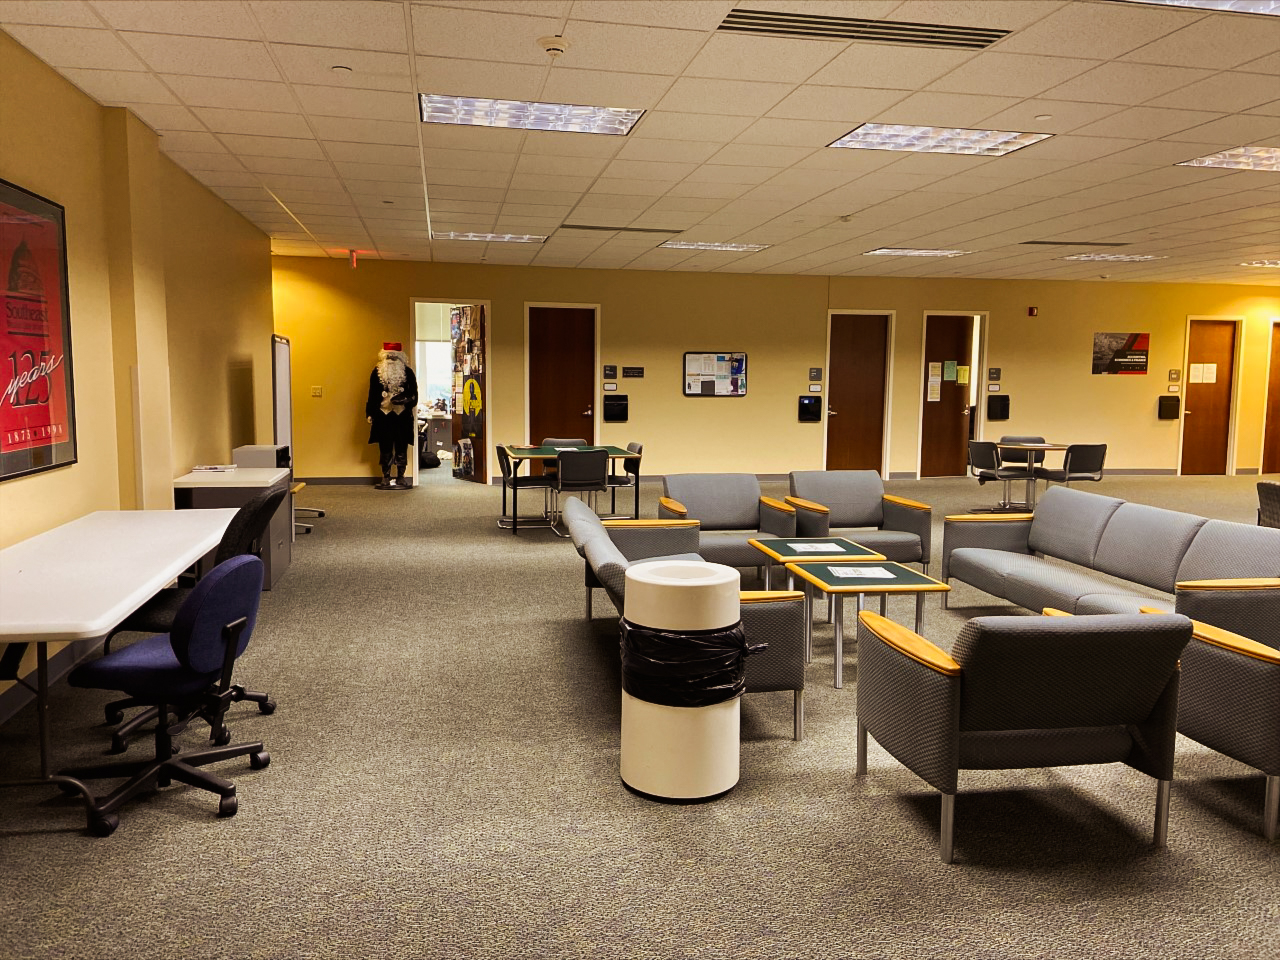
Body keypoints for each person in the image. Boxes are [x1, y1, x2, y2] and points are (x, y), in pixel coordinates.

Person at [365, 342, 418, 489]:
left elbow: (414, 393)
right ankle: (386, 477)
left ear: (400, 358)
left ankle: (401, 477)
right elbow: (372, 394)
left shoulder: (408, 373)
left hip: (402, 415)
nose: (391, 360)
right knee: (385, 447)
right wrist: (370, 412)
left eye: (394, 358)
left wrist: (407, 400)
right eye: (388, 357)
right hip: (383, 415)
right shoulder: (376, 372)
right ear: (384, 357)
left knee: (402, 446)